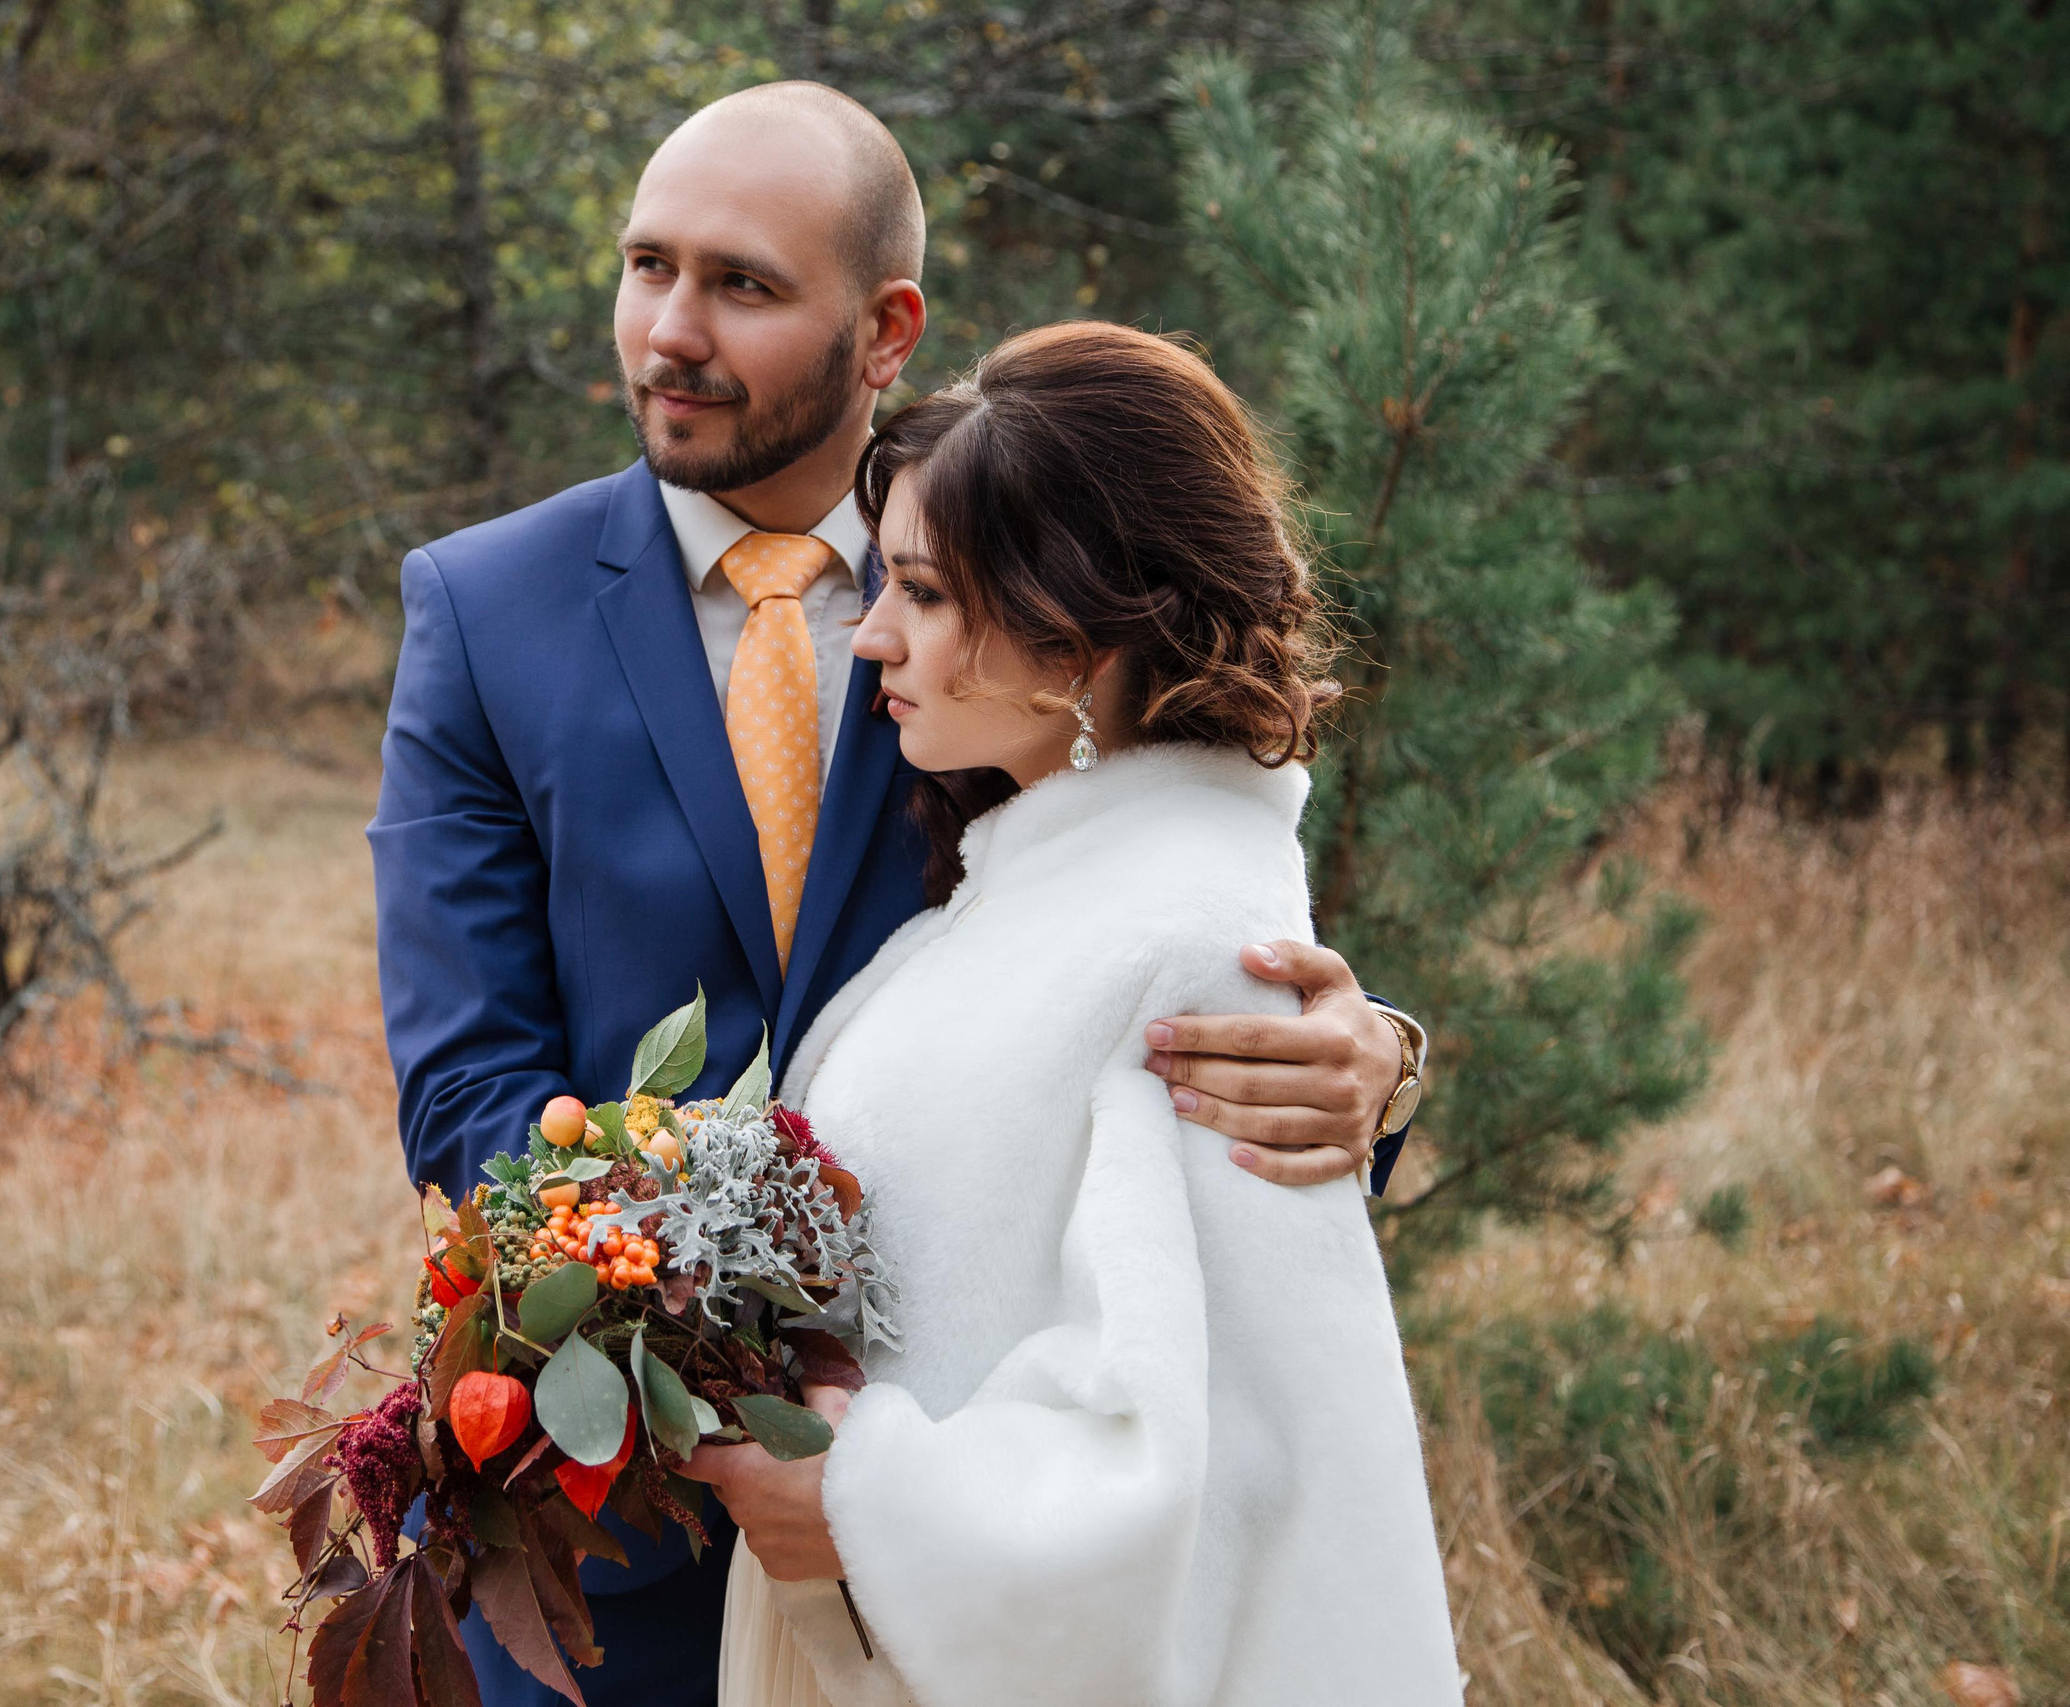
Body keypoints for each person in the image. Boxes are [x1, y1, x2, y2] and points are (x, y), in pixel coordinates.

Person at [369, 82, 1431, 1707]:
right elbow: (467, 1085)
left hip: (997, 1558)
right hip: (614, 1535)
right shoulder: (483, 608)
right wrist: (710, 1381)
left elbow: (1163, 900)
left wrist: (1372, 1059)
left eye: (742, 284)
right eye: (647, 265)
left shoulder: (1029, 561)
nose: (668, 329)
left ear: (886, 330)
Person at [680, 321, 1461, 1707]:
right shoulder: (1027, 884)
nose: (870, 638)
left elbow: (1227, 1463)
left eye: (919, 592)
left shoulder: (1185, 943)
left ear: (1079, 622)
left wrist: (867, 1504)